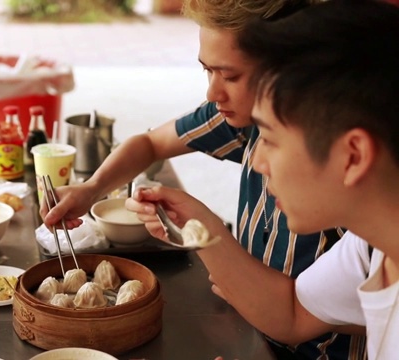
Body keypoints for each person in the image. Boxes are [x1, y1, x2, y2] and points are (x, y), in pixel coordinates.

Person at [40, 0, 365, 358]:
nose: (212, 93)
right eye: (207, 71)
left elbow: (305, 312)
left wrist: (216, 246)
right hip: (253, 328)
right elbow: (150, 142)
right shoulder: (244, 120)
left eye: (230, 75)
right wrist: (91, 189)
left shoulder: (352, 197)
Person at [127, 0, 399, 358]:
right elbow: (292, 311)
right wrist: (200, 227)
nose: (259, 163)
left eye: (270, 139)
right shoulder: (372, 247)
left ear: (353, 156)